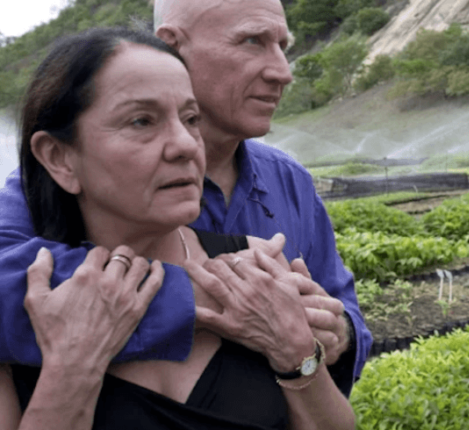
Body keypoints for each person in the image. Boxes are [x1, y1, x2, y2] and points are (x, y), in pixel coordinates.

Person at [0, 0, 371, 396]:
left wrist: (337, 332)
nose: (282, 71)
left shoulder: (290, 181)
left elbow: (346, 313)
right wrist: (214, 292)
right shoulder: (67, 179)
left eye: (284, 45)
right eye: (251, 41)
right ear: (173, 46)